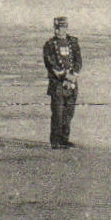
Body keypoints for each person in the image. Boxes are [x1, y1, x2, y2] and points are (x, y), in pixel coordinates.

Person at [43, 16, 83, 150]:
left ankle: (64, 139)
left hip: (72, 83)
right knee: (58, 113)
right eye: (58, 28)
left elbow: (78, 61)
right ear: (55, 29)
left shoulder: (73, 42)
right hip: (58, 84)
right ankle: (55, 141)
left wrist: (73, 75)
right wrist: (65, 76)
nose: (60, 31)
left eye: (63, 28)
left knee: (69, 112)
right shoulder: (49, 45)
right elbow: (51, 64)